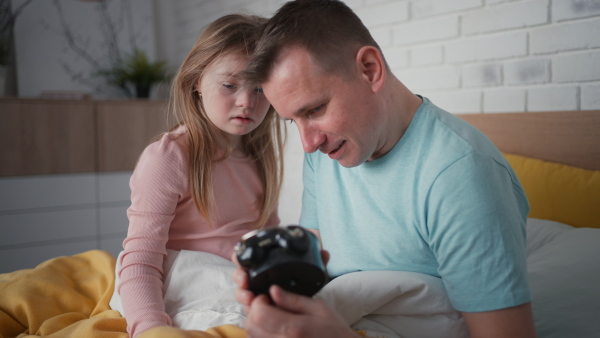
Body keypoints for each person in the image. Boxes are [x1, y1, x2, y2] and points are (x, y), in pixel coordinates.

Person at [232, 1, 537, 337]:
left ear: (370, 69)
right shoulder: (325, 152)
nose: (308, 143)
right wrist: (273, 287)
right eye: (293, 121)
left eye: (316, 109)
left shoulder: (460, 174)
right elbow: (316, 256)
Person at [109, 14, 285, 338]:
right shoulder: (170, 157)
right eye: (230, 85)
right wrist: (150, 328)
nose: (247, 102)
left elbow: (266, 241)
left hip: (236, 281)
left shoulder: (259, 157)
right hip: (181, 286)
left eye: (260, 88)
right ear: (196, 82)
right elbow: (141, 260)